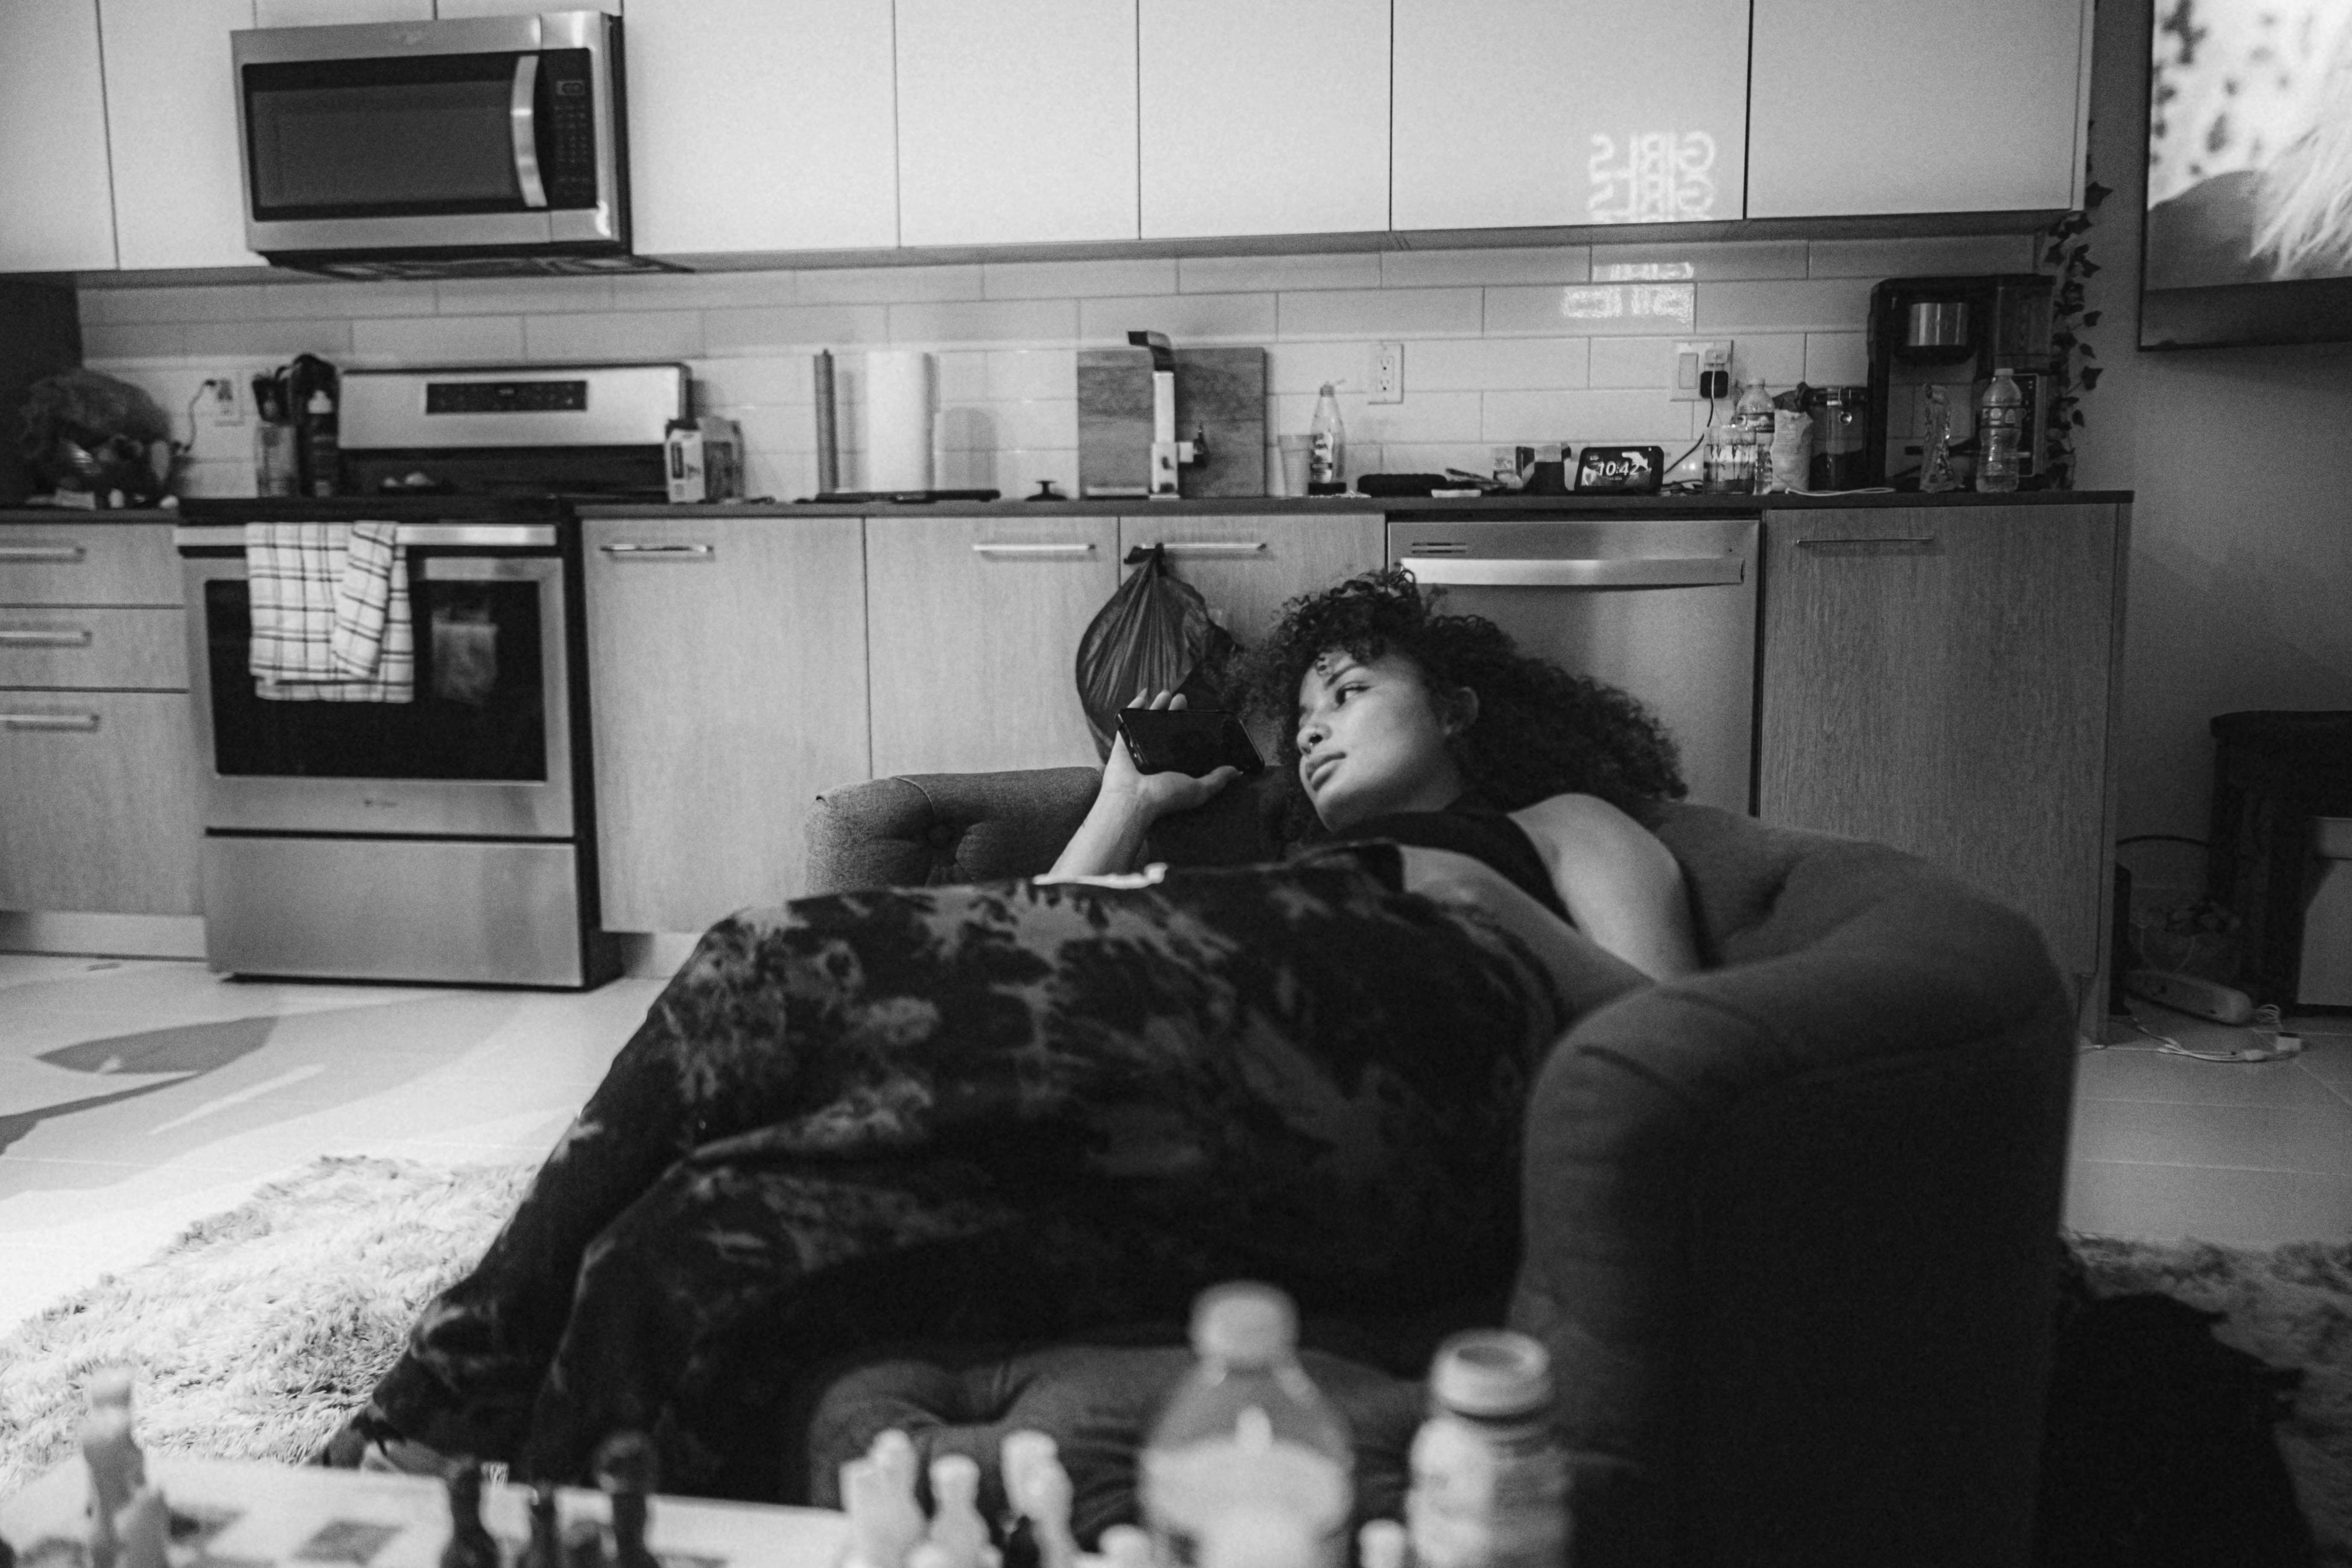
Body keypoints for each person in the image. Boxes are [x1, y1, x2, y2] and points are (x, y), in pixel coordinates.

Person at [318, 567, 1699, 1500]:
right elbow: (1038, 941)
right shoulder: (1283, 861)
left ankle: (426, 1416)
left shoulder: (1560, 829)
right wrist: (1131, 803)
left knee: (759, 959)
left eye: (1353, 693)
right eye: (1303, 715)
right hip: (1214, 1103)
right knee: (691, 1237)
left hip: (1420, 1086)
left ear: (1455, 708)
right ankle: (519, 1517)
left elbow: (1671, 1049)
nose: (1318, 732)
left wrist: (1480, 904)